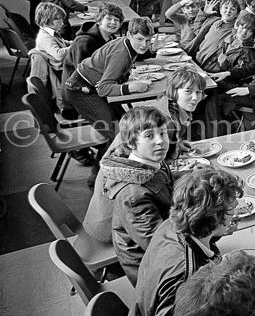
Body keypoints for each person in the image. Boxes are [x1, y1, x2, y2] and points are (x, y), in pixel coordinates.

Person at [127, 166, 242, 316]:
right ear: (213, 218)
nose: (235, 210)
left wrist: (215, 234)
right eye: (229, 210)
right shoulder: (186, 275)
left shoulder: (172, 224)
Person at [83, 67, 207, 243]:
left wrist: (183, 160)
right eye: (188, 91)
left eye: (199, 92)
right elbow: (158, 242)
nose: (195, 97)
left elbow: (162, 173)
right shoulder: (166, 122)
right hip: (111, 227)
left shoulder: (160, 115)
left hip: (108, 215)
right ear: (174, 91)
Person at [105, 107, 174, 285]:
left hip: (167, 236)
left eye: (163, 133)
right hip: (151, 272)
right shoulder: (133, 195)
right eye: (149, 135)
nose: (161, 141)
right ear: (131, 144)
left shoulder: (150, 162)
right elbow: (161, 248)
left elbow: (165, 181)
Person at [64, 17, 155, 142]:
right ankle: (107, 159)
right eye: (140, 39)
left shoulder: (128, 44)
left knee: (128, 123)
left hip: (92, 85)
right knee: (119, 133)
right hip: (80, 90)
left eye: (148, 40)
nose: (144, 45)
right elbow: (103, 89)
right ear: (129, 35)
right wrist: (133, 87)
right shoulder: (121, 55)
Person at [63, 3, 125, 87]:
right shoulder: (84, 42)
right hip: (79, 89)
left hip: (99, 83)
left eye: (117, 20)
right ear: (99, 21)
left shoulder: (111, 38)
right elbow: (85, 74)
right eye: (109, 19)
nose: (113, 22)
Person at [187, 0, 240, 73]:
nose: (228, 11)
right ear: (220, 10)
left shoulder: (235, 29)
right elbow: (197, 29)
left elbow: (234, 41)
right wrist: (204, 13)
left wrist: (236, 29)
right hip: (197, 60)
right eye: (226, 7)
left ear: (237, 14)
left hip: (211, 66)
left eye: (232, 9)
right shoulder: (213, 21)